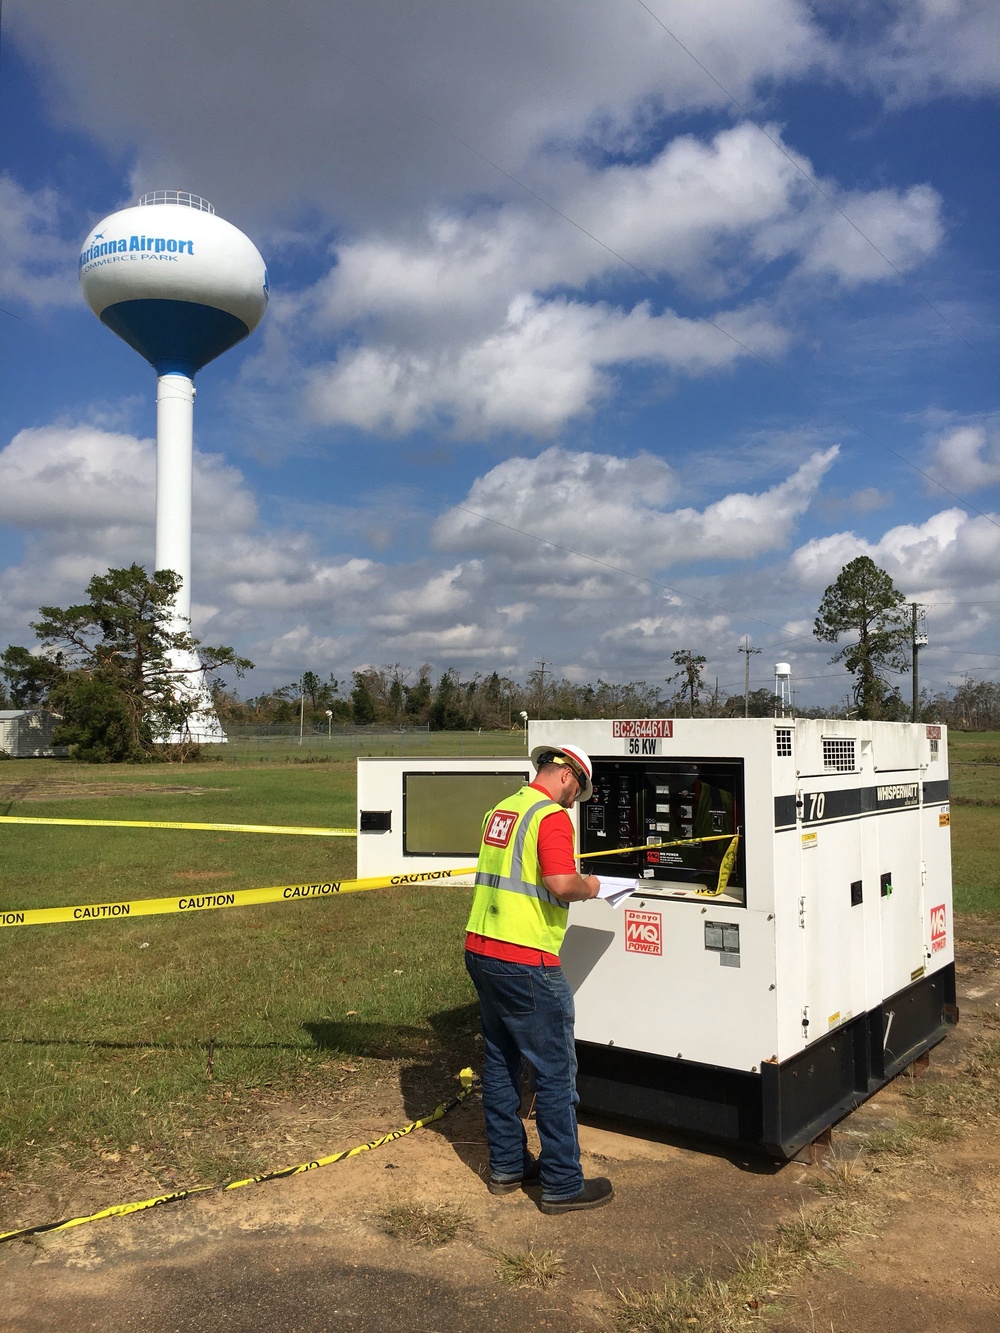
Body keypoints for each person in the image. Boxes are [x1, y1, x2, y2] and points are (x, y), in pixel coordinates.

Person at [464, 742, 614, 1214]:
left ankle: (508, 1167)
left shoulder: (503, 809)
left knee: (501, 1062)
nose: (575, 802)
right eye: (578, 792)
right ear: (567, 776)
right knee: (555, 1073)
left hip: (482, 948)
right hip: (526, 959)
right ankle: (563, 1183)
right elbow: (561, 883)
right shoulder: (550, 817)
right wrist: (594, 885)